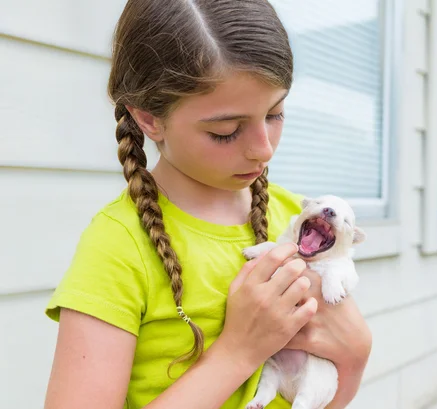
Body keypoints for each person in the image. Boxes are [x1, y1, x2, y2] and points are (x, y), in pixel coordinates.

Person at [43, 1, 372, 409]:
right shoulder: (118, 247)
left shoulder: (295, 219)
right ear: (148, 119)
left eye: (275, 113)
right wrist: (238, 352)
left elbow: (329, 387)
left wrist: (356, 353)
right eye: (226, 131)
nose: (263, 149)